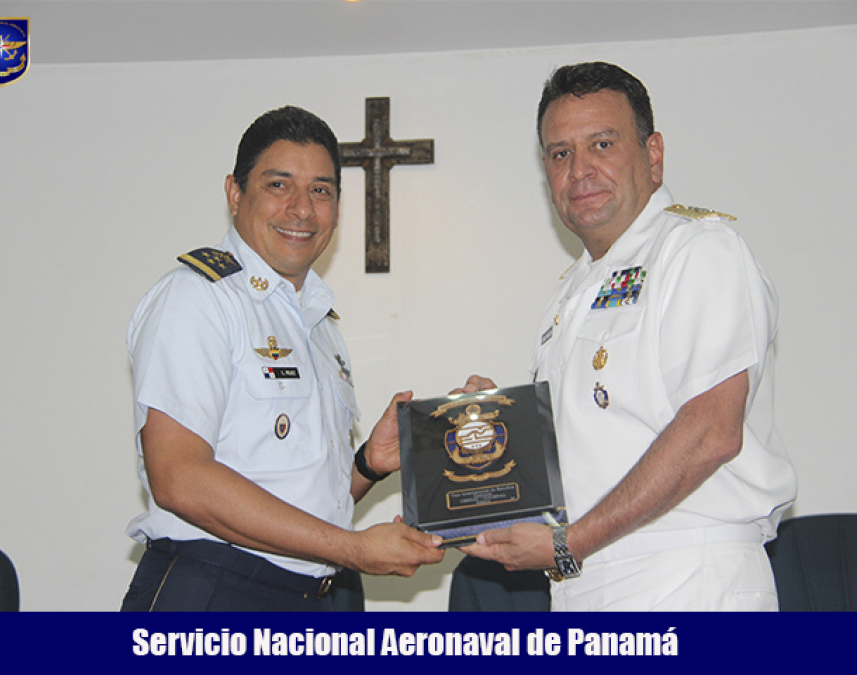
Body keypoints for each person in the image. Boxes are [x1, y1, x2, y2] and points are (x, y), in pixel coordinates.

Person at [459, 62, 796, 611]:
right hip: (585, 581)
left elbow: (711, 431)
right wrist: (495, 430)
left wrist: (571, 545)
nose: (580, 170)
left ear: (653, 155)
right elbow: (594, 453)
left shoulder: (697, 251)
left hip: (688, 577)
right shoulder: (573, 292)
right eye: (560, 153)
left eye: (602, 144)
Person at [120, 105, 444, 611]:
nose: (301, 209)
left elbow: (298, 495)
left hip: (309, 597)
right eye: (278, 185)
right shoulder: (199, 299)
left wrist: (368, 465)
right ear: (235, 193)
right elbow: (179, 478)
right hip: (214, 592)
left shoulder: (317, 321)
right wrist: (355, 548)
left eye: (320, 190)